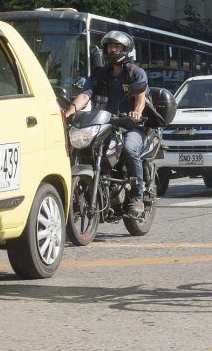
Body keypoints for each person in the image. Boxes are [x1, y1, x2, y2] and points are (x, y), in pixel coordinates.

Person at [64, 31, 149, 217]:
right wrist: (69, 113)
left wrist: (136, 113)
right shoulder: (100, 74)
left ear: (126, 50)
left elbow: (140, 98)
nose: (112, 50)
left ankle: (137, 196)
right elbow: (86, 94)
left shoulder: (136, 73)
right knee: (85, 147)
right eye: (110, 47)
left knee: (129, 148)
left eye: (117, 47)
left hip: (130, 126)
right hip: (105, 125)